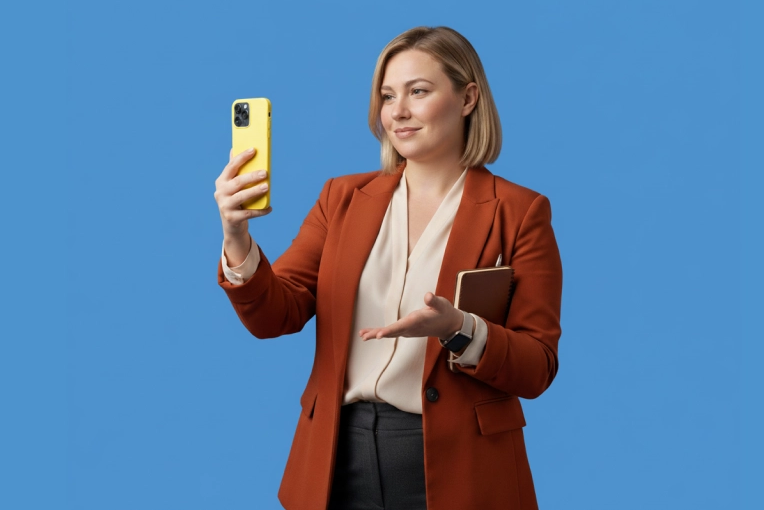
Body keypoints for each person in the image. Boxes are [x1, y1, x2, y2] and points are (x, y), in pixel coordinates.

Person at [213, 26, 562, 510]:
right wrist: (236, 237)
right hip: (339, 454)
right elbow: (276, 315)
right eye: (387, 96)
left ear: (468, 98)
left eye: (418, 92)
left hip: (462, 465)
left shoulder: (519, 212)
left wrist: (460, 328)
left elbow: (538, 366)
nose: (397, 111)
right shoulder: (341, 199)